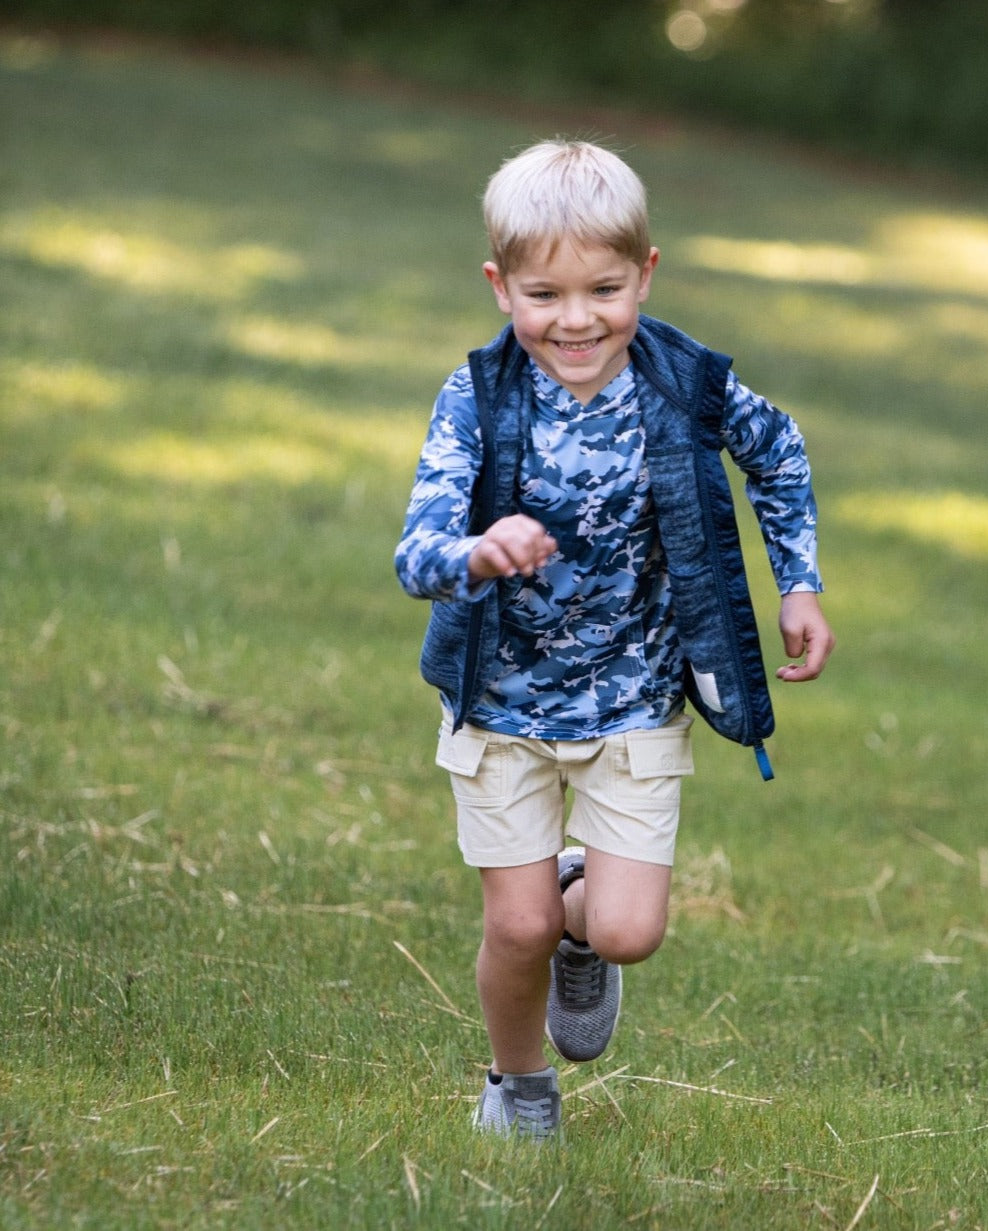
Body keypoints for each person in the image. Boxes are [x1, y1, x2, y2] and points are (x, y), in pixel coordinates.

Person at [394, 139, 834, 1140]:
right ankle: (520, 1087)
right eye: (545, 294)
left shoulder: (686, 386)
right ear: (501, 288)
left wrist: (798, 581)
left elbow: (780, 453)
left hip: (634, 700)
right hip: (499, 703)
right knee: (514, 926)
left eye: (603, 288)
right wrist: (478, 550)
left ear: (645, 273)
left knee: (629, 929)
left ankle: (577, 924)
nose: (576, 318)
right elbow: (414, 555)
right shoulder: (476, 397)